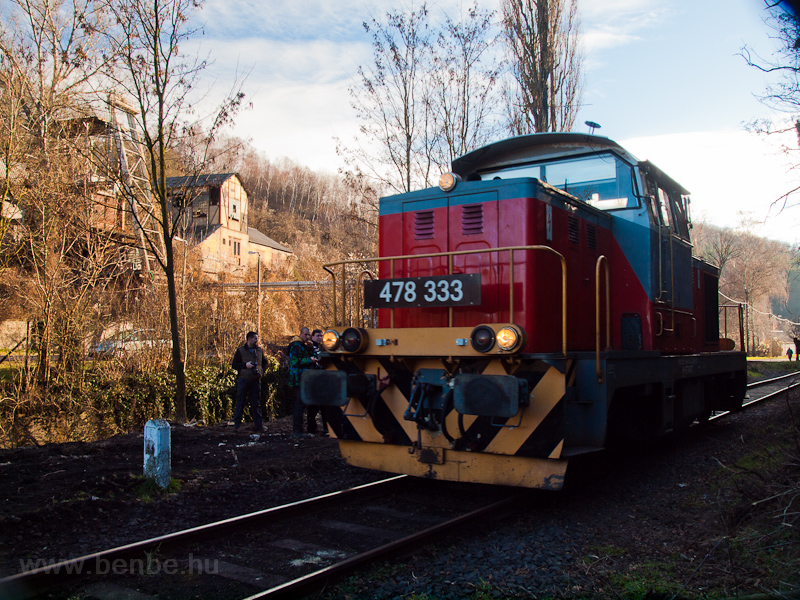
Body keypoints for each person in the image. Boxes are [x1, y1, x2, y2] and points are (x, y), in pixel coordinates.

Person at [231, 331, 268, 433]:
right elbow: (234, 364)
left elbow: (265, 362)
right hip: (244, 379)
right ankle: (237, 426)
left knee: (256, 403)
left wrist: (261, 371)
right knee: (240, 402)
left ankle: (258, 425)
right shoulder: (241, 351)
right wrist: (245, 366)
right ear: (249, 339)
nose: (257, 340)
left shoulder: (259, 351)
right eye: (255, 338)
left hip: (256, 380)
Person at [288, 326, 318, 439]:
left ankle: (299, 429)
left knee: (301, 404)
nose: (307, 337)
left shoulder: (303, 346)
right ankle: (297, 430)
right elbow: (295, 361)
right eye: (305, 335)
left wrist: (310, 348)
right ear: (300, 334)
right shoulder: (296, 346)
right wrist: (310, 360)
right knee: (299, 405)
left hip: (303, 378)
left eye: (308, 335)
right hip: (298, 378)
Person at [306, 329, 329, 437]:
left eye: (321, 336)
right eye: (318, 336)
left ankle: (325, 428)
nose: (320, 337)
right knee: (313, 405)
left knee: (324, 405)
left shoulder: (323, 347)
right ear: (312, 336)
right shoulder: (309, 347)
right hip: (314, 377)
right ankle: (311, 427)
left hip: (322, 377)